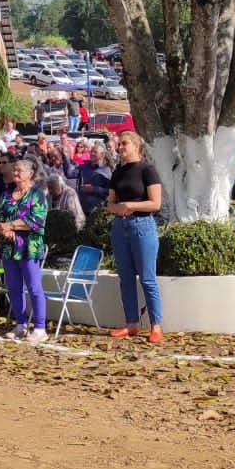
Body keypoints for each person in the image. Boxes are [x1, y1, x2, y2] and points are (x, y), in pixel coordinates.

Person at [107, 131, 164, 343]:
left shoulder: (147, 170)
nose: (120, 147)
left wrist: (130, 205)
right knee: (126, 279)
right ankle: (131, 324)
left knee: (148, 279)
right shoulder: (118, 171)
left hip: (143, 226)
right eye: (119, 144)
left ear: (136, 146)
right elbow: (110, 203)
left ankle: (155, 325)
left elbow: (155, 203)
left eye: (124, 144)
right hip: (120, 227)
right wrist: (119, 209)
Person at [0, 159, 49, 343]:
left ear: (30, 173)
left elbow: (36, 221)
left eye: (19, 170)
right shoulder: (6, 194)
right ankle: (21, 325)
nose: (15, 173)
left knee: (34, 287)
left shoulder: (37, 194)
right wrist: (2, 228)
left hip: (29, 248)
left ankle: (40, 328)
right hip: (9, 248)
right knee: (14, 287)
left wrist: (10, 225)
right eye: (14, 170)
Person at [76, 142, 112, 214]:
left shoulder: (106, 170)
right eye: (91, 151)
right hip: (82, 209)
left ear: (102, 155)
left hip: (97, 211)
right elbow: (69, 174)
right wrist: (64, 156)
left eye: (95, 152)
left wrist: (94, 189)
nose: (92, 154)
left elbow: (110, 191)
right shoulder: (84, 166)